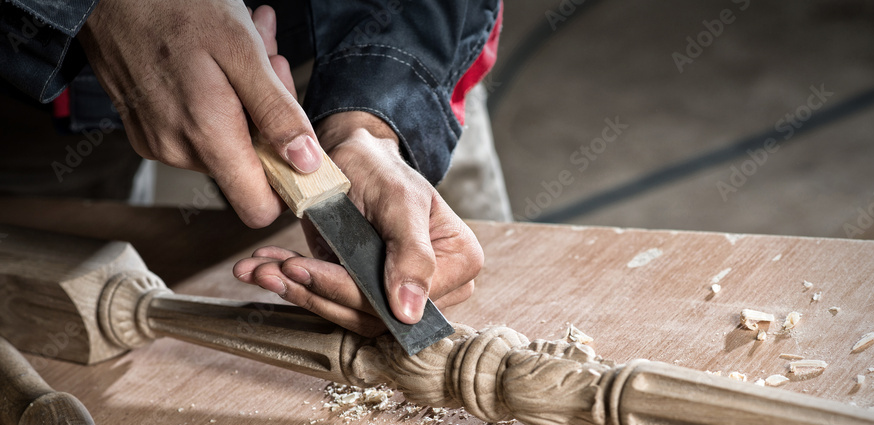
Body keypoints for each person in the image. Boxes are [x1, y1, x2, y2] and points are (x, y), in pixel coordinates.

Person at [0, 0, 506, 336]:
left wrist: (373, 115)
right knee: (59, 284)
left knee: (450, 253)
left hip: (345, 31)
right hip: (34, 57)